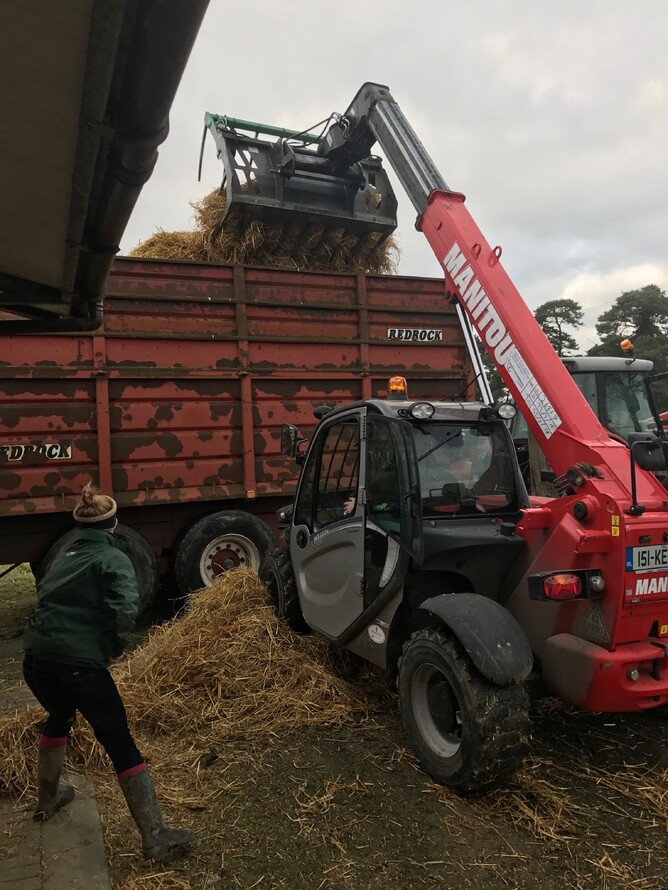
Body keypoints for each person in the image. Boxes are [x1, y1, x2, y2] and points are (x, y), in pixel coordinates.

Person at [22, 483, 193, 864]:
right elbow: (125, 607)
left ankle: (48, 798)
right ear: (114, 523)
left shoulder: (65, 553)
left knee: (59, 715)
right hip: (78, 666)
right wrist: (114, 648)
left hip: (36, 659)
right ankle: (155, 836)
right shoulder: (114, 559)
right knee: (118, 739)